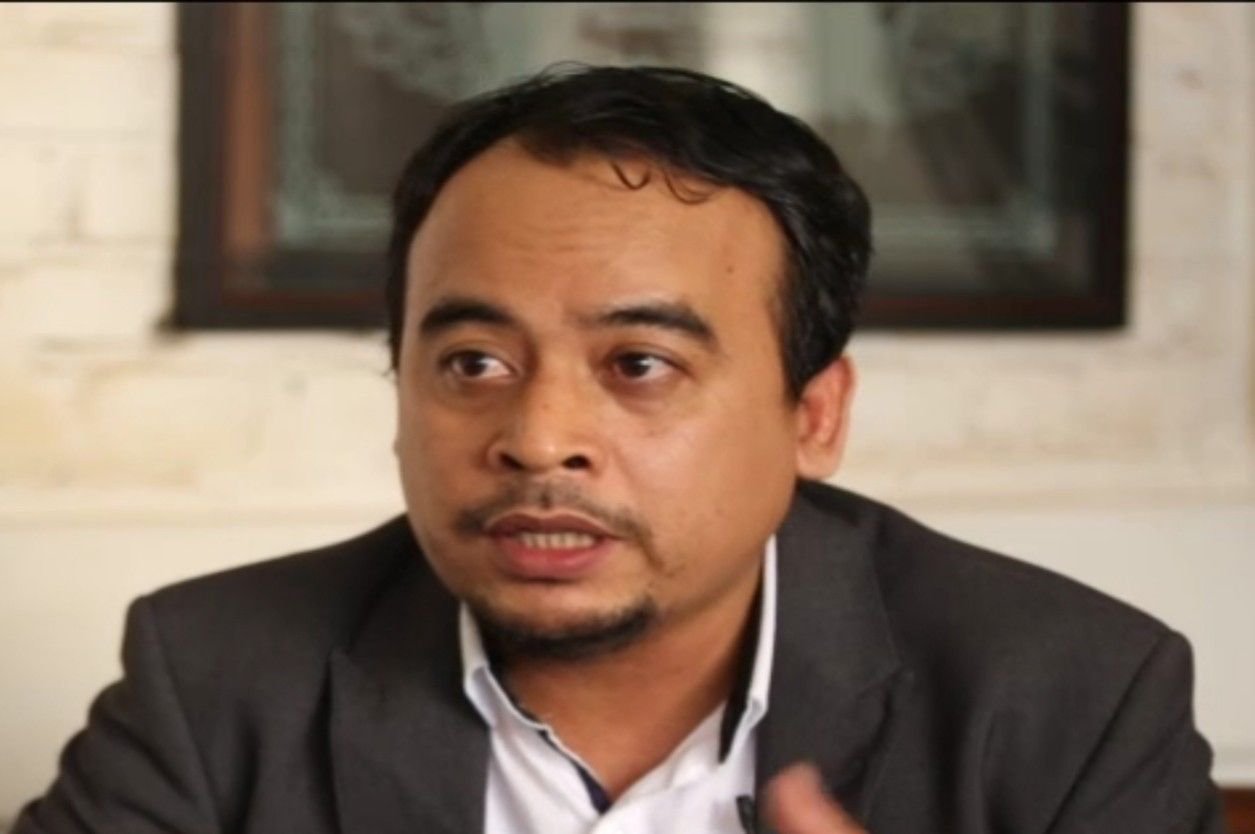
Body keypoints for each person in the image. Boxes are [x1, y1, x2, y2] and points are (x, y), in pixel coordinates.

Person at [16, 65, 1225, 834]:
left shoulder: (1067, 698)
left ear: (813, 416)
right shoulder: (219, 676)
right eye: (472, 363)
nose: (539, 440)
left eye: (639, 365)